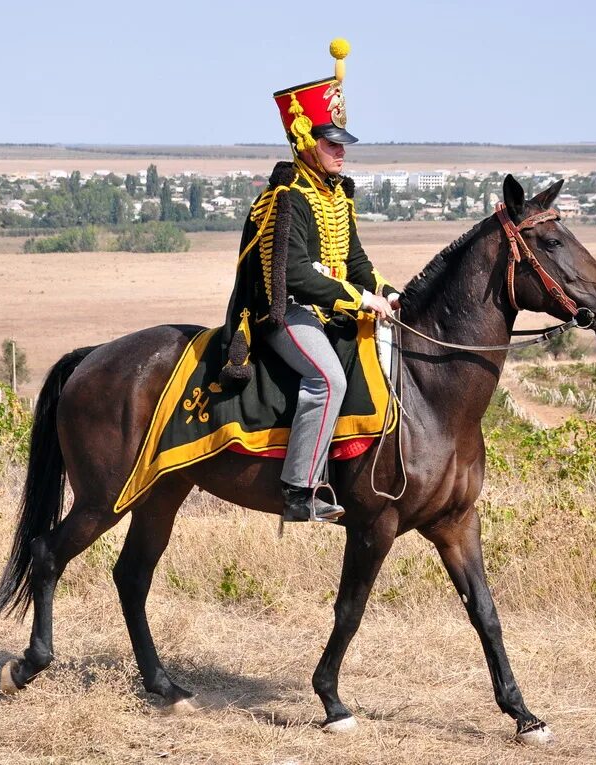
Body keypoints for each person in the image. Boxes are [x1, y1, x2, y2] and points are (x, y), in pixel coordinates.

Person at [219, 38, 400, 523]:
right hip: (286, 311)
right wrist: (359, 299)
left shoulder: (338, 195)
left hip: (330, 311)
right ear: (306, 143)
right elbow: (294, 273)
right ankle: (298, 490)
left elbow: (356, 259)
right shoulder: (286, 197)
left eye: (343, 143)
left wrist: (388, 292)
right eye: (332, 143)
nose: (342, 152)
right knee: (326, 379)